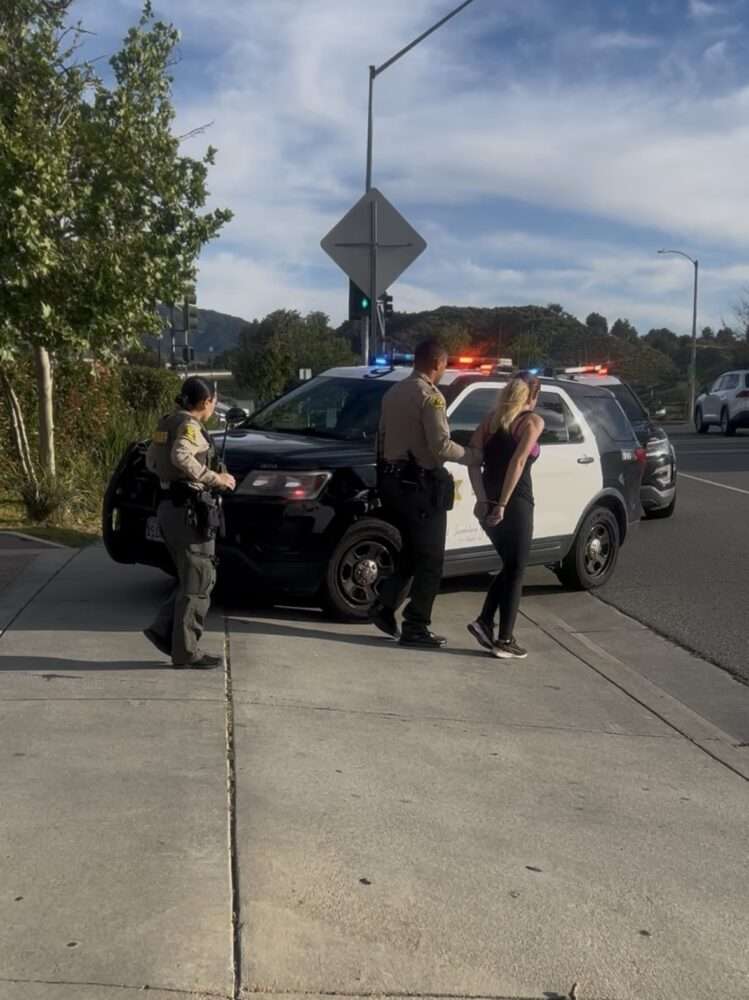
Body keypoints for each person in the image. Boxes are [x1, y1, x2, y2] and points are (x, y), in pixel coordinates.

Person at [372, 339, 483, 648]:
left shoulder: (393, 392)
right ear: (437, 364)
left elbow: (381, 437)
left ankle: (383, 606)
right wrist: (474, 456)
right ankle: (416, 625)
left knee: (411, 553)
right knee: (432, 560)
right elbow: (441, 446)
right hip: (420, 485)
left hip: (393, 481)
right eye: (445, 365)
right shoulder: (431, 397)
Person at [143, 377, 236, 668]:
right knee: (199, 581)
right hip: (188, 512)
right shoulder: (189, 426)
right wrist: (214, 478)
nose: (214, 406)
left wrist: (171, 480)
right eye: (214, 401)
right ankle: (185, 651)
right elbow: (180, 456)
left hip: (169, 506)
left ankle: (164, 630)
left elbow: (151, 460)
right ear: (206, 402)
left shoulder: (167, 422)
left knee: (190, 578)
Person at [466, 372, 544, 659]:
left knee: (511, 565)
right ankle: (504, 639)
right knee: (517, 567)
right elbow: (519, 461)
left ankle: (486, 622)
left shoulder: (490, 421)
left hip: (488, 501)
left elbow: (473, 461)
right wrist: (502, 504)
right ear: (533, 396)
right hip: (516, 501)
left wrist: (482, 499)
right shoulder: (532, 422)